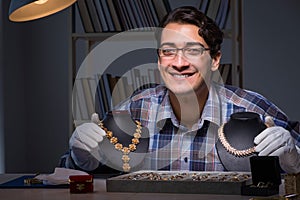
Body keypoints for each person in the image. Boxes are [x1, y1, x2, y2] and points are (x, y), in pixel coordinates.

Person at [62, 6, 300, 174]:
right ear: (158, 60)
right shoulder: (136, 108)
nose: (179, 62)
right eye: (168, 51)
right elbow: (74, 173)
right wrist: (80, 158)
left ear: (215, 60)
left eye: (193, 51)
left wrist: (295, 159)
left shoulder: (251, 108)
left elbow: (293, 161)